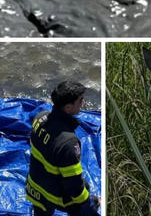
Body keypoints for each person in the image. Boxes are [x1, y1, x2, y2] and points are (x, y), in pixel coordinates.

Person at [26, 81, 99, 216]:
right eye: (80, 100)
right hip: (54, 196)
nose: (83, 103)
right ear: (68, 108)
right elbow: (74, 184)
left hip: (34, 187)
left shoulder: (40, 117)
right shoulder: (68, 143)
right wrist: (87, 202)